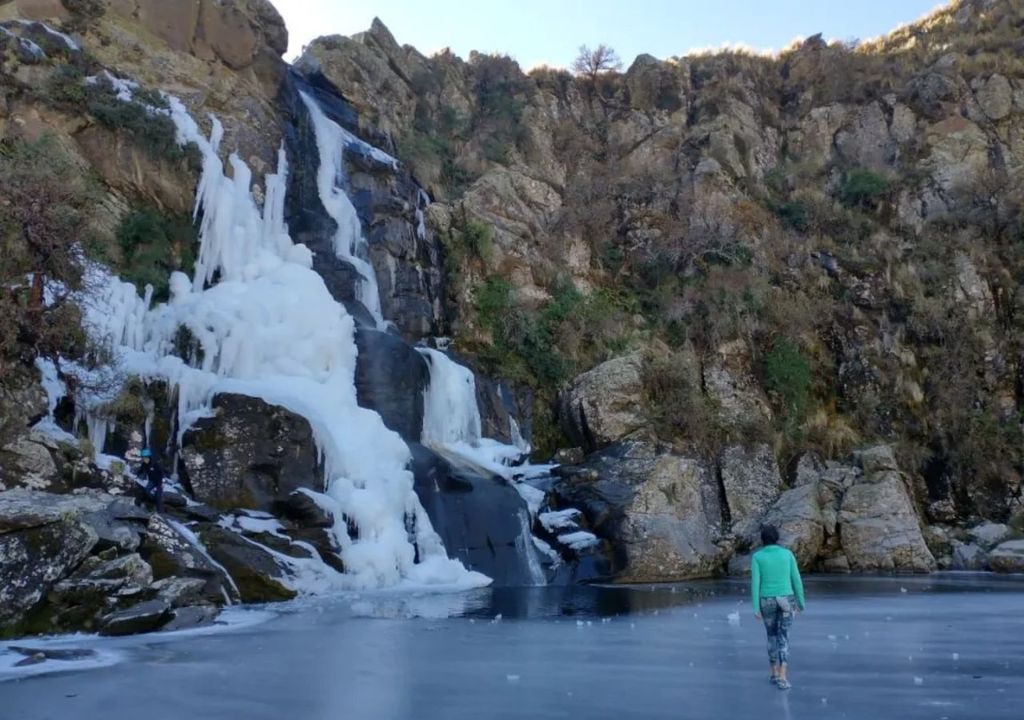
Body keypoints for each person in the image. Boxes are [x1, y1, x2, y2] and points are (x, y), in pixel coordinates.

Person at [751, 524, 805, 690]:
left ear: (763, 539)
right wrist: (801, 602)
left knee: (771, 636)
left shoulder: (757, 557)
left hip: (766, 600)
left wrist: (755, 607)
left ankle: (773, 671)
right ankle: (783, 675)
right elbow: (796, 579)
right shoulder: (787, 554)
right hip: (786, 599)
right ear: (777, 538)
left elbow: (755, 583)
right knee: (784, 637)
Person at [135, 448, 164, 513]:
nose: (144, 459)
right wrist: (137, 475)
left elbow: (161, 473)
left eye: (145, 458)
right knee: (146, 490)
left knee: (158, 496)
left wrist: (160, 484)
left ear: (149, 457)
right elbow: (141, 470)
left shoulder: (155, 464)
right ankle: (150, 504)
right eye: (143, 458)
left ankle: (159, 511)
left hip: (159, 482)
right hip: (151, 481)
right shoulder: (144, 464)